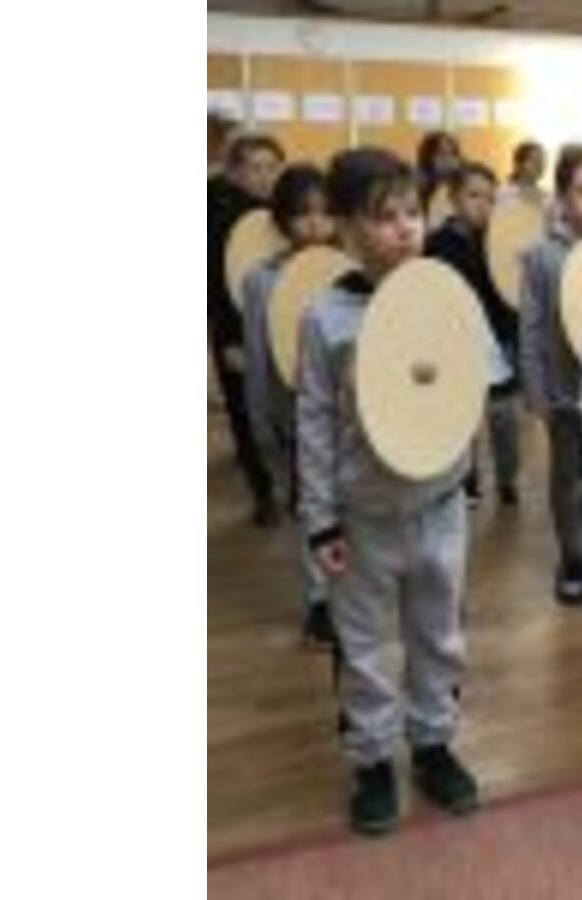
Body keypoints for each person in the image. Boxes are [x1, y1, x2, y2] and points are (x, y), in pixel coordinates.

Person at [296, 147, 481, 836]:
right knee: (366, 647)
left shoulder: (447, 299)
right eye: (385, 217)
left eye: (413, 212)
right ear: (347, 228)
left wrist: (469, 477)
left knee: (439, 636)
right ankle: (372, 758)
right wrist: (320, 522)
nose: (405, 228)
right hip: (364, 516)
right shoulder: (326, 318)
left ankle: (433, 744)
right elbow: (314, 423)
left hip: (439, 506)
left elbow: (468, 387)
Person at [238, 162, 339, 647]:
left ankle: (352, 590)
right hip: (294, 409)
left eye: (325, 212)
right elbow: (259, 354)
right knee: (312, 502)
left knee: (350, 502)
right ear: (281, 220)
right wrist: (262, 422)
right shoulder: (261, 280)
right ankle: (320, 599)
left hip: (349, 409)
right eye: (303, 214)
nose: (316, 224)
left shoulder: (350, 269)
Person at [518, 144, 582, 605]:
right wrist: (536, 390)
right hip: (563, 390)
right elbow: (532, 327)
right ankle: (571, 557)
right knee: (567, 478)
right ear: (562, 197)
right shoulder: (541, 257)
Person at [424, 162, 524, 509]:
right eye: (474, 195)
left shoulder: (500, 241)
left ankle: (508, 478)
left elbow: (510, 292)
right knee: (463, 418)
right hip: (457, 342)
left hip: (498, 340)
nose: (483, 205)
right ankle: (467, 481)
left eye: (490, 198)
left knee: (504, 417)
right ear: (453, 198)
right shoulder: (436, 243)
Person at [209, 133, 286, 525]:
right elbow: (214, 284)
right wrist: (227, 339)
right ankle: (263, 492)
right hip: (235, 327)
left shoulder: (283, 212)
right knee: (243, 409)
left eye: (272, 167)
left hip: (279, 322)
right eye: (255, 168)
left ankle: (288, 480)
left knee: (281, 404)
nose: (265, 176)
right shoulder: (217, 215)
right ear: (235, 172)